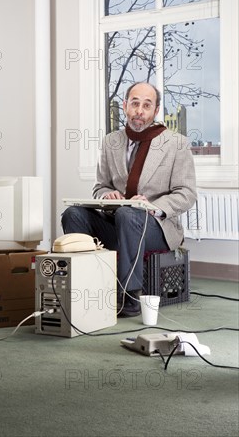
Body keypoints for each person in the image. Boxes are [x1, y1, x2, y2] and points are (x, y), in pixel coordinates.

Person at [61, 82, 197, 317]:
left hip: (157, 227)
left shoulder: (176, 144)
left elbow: (186, 193)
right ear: (125, 106)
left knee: (129, 214)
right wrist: (107, 194)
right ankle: (86, 286)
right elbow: (100, 186)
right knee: (72, 214)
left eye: (147, 105)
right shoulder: (111, 142)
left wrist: (153, 207)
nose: (139, 111)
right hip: (116, 221)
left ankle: (130, 295)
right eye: (134, 103)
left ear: (155, 111)